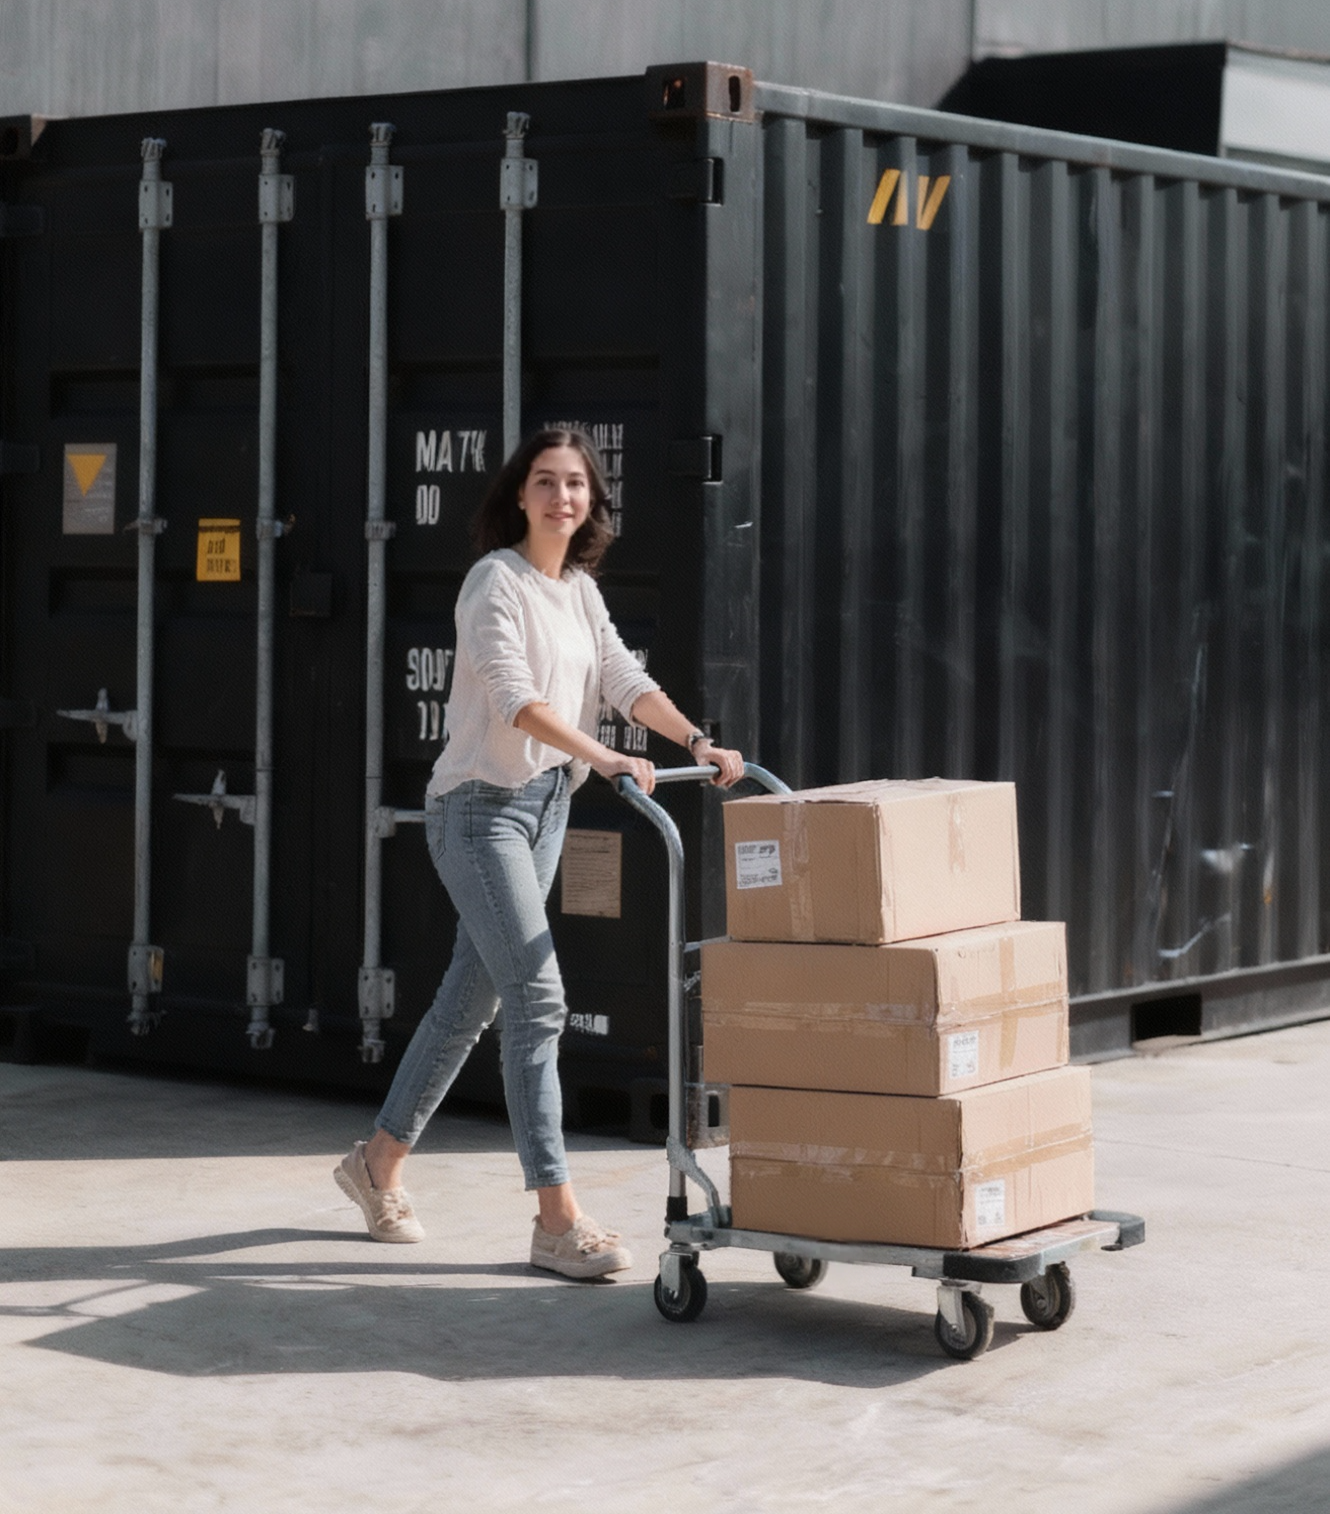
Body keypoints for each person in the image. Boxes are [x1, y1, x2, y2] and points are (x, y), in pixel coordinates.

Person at [335, 427, 744, 1279]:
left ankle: (375, 1165)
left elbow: (625, 681)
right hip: (477, 812)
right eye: (546, 482)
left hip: (547, 806)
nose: (563, 497)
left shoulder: (581, 592)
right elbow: (515, 698)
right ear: (518, 495)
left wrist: (698, 739)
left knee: (467, 1003)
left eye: (577, 485)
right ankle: (556, 1219)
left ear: (592, 502)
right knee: (539, 996)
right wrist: (605, 756)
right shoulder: (495, 583)